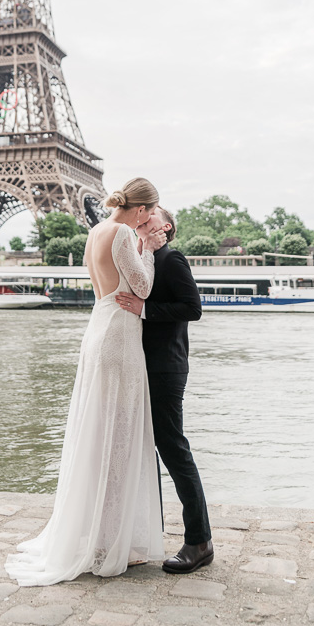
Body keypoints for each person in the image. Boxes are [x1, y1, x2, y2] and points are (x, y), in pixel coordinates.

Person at [4, 177, 168, 586]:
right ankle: (110, 542)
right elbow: (143, 287)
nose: (151, 221)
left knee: (97, 435)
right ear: (144, 210)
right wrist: (149, 249)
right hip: (120, 336)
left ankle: (96, 533)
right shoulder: (124, 235)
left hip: (98, 327)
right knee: (119, 441)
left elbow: (104, 285)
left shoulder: (96, 230)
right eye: (151, 213)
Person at [115, 206, 213, 573]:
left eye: (152, 214)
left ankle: (199, 542)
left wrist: (144, 308)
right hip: (144, 365)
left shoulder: (172, 258)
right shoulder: (143, 258)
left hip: (165, 368)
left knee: (174, 449)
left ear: (165, 227)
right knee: (149, 449)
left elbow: (193, 308)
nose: (145, 216)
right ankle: (148, 532)